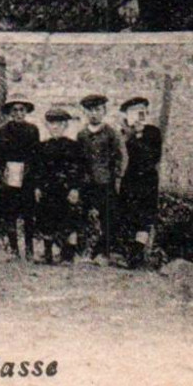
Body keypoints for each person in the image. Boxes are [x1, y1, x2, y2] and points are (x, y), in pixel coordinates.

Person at [77, 93, 126, 265]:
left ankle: (103, 254)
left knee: (107, 217)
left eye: (97, 110)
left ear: (104, 111)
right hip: (86, 183)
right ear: (85, 112)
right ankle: (85, 252)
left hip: (106, 182)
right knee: (85, 217)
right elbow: (79, 160)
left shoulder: (111, 133)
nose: (94, 114)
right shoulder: (82, 135)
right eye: (90, 110)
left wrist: (117, 177)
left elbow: (121, 157)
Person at [35, 107, 85, 264]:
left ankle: (68, 255)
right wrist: (37, 187)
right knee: (47, 219)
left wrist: (75, 188)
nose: (55, 127)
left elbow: (78, 169)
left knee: (69, 220)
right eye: (51, 123)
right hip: (48, 189)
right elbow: (39, 169)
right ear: (47, 126)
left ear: (65, 125)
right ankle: (48, 253)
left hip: (66, 190)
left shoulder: (73, 146)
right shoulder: (43, 146)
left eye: (59, 123)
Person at [117, 96, 162, 269]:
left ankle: (137, 254)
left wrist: (138, 136)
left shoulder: (153, 132)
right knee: (127, 215)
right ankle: (126, 253)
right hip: (130, 179)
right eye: (135, 111)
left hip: (147, 180)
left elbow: (152, 157)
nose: (140, 114)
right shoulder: (122, 134)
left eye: (143, 110)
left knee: (145, 217)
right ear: (128, 115)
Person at [0, 97, 40, 261]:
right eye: (15, 110)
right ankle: (13, 249)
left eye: (22, 110)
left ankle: (29, 249)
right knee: (10, 213)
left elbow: (36, 155)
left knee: (28, 214)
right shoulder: (1, 131)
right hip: (8, 177)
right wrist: (1, 174)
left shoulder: (33, 130)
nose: (19, 113)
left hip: (27, 177)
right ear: (9, 113)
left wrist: (31, 175)